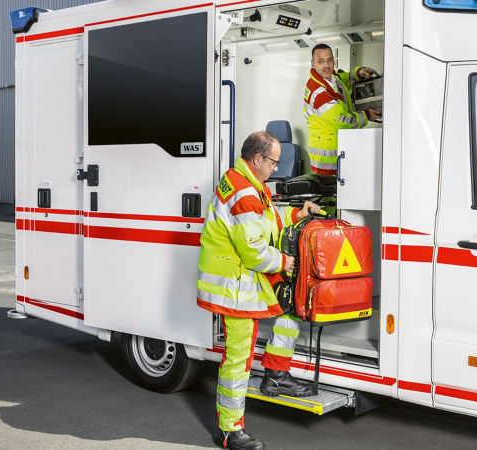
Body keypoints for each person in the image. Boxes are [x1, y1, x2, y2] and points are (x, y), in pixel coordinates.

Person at [197, 131, 321, 450]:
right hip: (235, 285)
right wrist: (286, 261)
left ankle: (274, 375)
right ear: (258, 159)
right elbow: (253, 250)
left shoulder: (248, 183)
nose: (276, 169)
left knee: (289, 311)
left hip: (244, 281)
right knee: (238, 359)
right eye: (274, 162)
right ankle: (230, 430)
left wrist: (299, 214)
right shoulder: (244, 191)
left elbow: (269, 220)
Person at [304, 43, 381, 175]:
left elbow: (344, 77)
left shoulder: (332, 78)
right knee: (331, 194)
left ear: (334, 60)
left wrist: (359, 73)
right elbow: (342, 120)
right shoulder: (319, 93)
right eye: (320, 61)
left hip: (340, 151)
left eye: (329, 60)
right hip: (327, 158)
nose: (326, 65)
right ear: (313, 63)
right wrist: (367, 115)